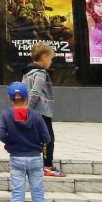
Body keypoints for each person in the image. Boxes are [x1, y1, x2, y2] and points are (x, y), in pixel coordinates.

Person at [0, 82, 51, 202]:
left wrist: (11, 142)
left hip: (16, 158)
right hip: (35, 158)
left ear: (10, 98)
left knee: (17, 196)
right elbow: (47, 138)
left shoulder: (6, 114)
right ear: (27, 97)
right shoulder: (36, 115)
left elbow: (0, 134)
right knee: (38, 196)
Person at [22, 42, 64, 177]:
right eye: (51, 59)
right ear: (44, 57)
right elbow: (35, 92)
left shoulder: (27, 72)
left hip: (32, 111)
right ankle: (47, 166)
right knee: (48, 138)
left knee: (33, 138)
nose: (51, 62)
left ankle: (31, 165)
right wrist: (28, 109)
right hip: (41, 111)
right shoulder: (40, 73)